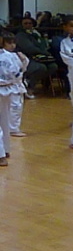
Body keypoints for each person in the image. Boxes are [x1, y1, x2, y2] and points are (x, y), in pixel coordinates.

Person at [0, 32, 27, 162]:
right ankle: (5, 149)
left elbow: (18, 72)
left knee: (3, 120)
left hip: (6, 88)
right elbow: (18, 72)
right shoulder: (10, 57)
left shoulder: (11, 56)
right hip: (8, 89)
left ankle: (1, 155)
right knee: (4, 121)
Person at [15, 16, 57, 93]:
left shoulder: (36, 34)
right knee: (41, 68)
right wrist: (44, 52)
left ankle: (45, 85)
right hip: (27, 58)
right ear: (22, 25)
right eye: (25, 23)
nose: (28, 25)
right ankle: (29, 86)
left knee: (53, 66)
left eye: (30, 23)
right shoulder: (20, 35)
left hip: (40, 57)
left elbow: (44, 45)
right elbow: (29, 49)